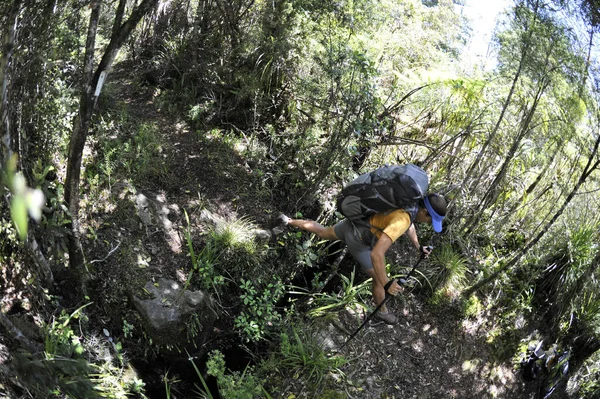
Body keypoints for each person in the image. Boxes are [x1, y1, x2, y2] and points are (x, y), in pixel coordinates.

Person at [279, 193, 447, 324]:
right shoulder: (402, 220)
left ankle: (288, 220)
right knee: (379, 279)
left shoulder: (409, 203)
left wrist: (418, 247)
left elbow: (410, 226)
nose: (427, 223)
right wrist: (387, 283)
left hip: (353, 224)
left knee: (323, 231)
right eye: (429, 219)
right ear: (424, 211)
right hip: (359, 240)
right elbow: (376, 254)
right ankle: (382, 313)